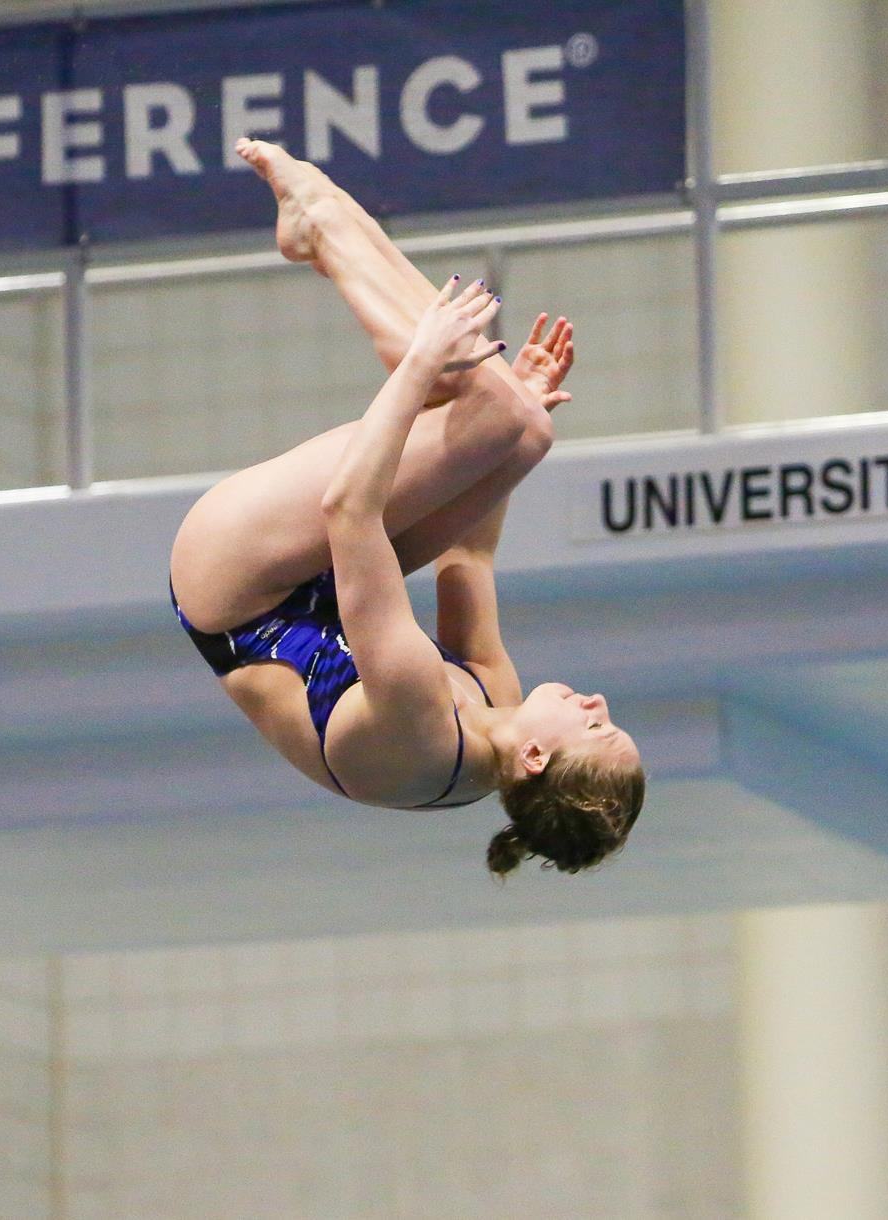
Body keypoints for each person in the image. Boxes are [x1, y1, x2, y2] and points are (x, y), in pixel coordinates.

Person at [168, 139, 644, 877]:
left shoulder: (421, 732)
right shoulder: (497, 704)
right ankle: (317, 224)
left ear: (537, 756)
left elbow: (349, 511)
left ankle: (323, 223)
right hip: (313, 591)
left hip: (235, 588)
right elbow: (468, 554)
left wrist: (423, 366)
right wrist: (505, 427)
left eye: (597, 725)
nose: (599, 700)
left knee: (488, 407)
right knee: (523, 431)